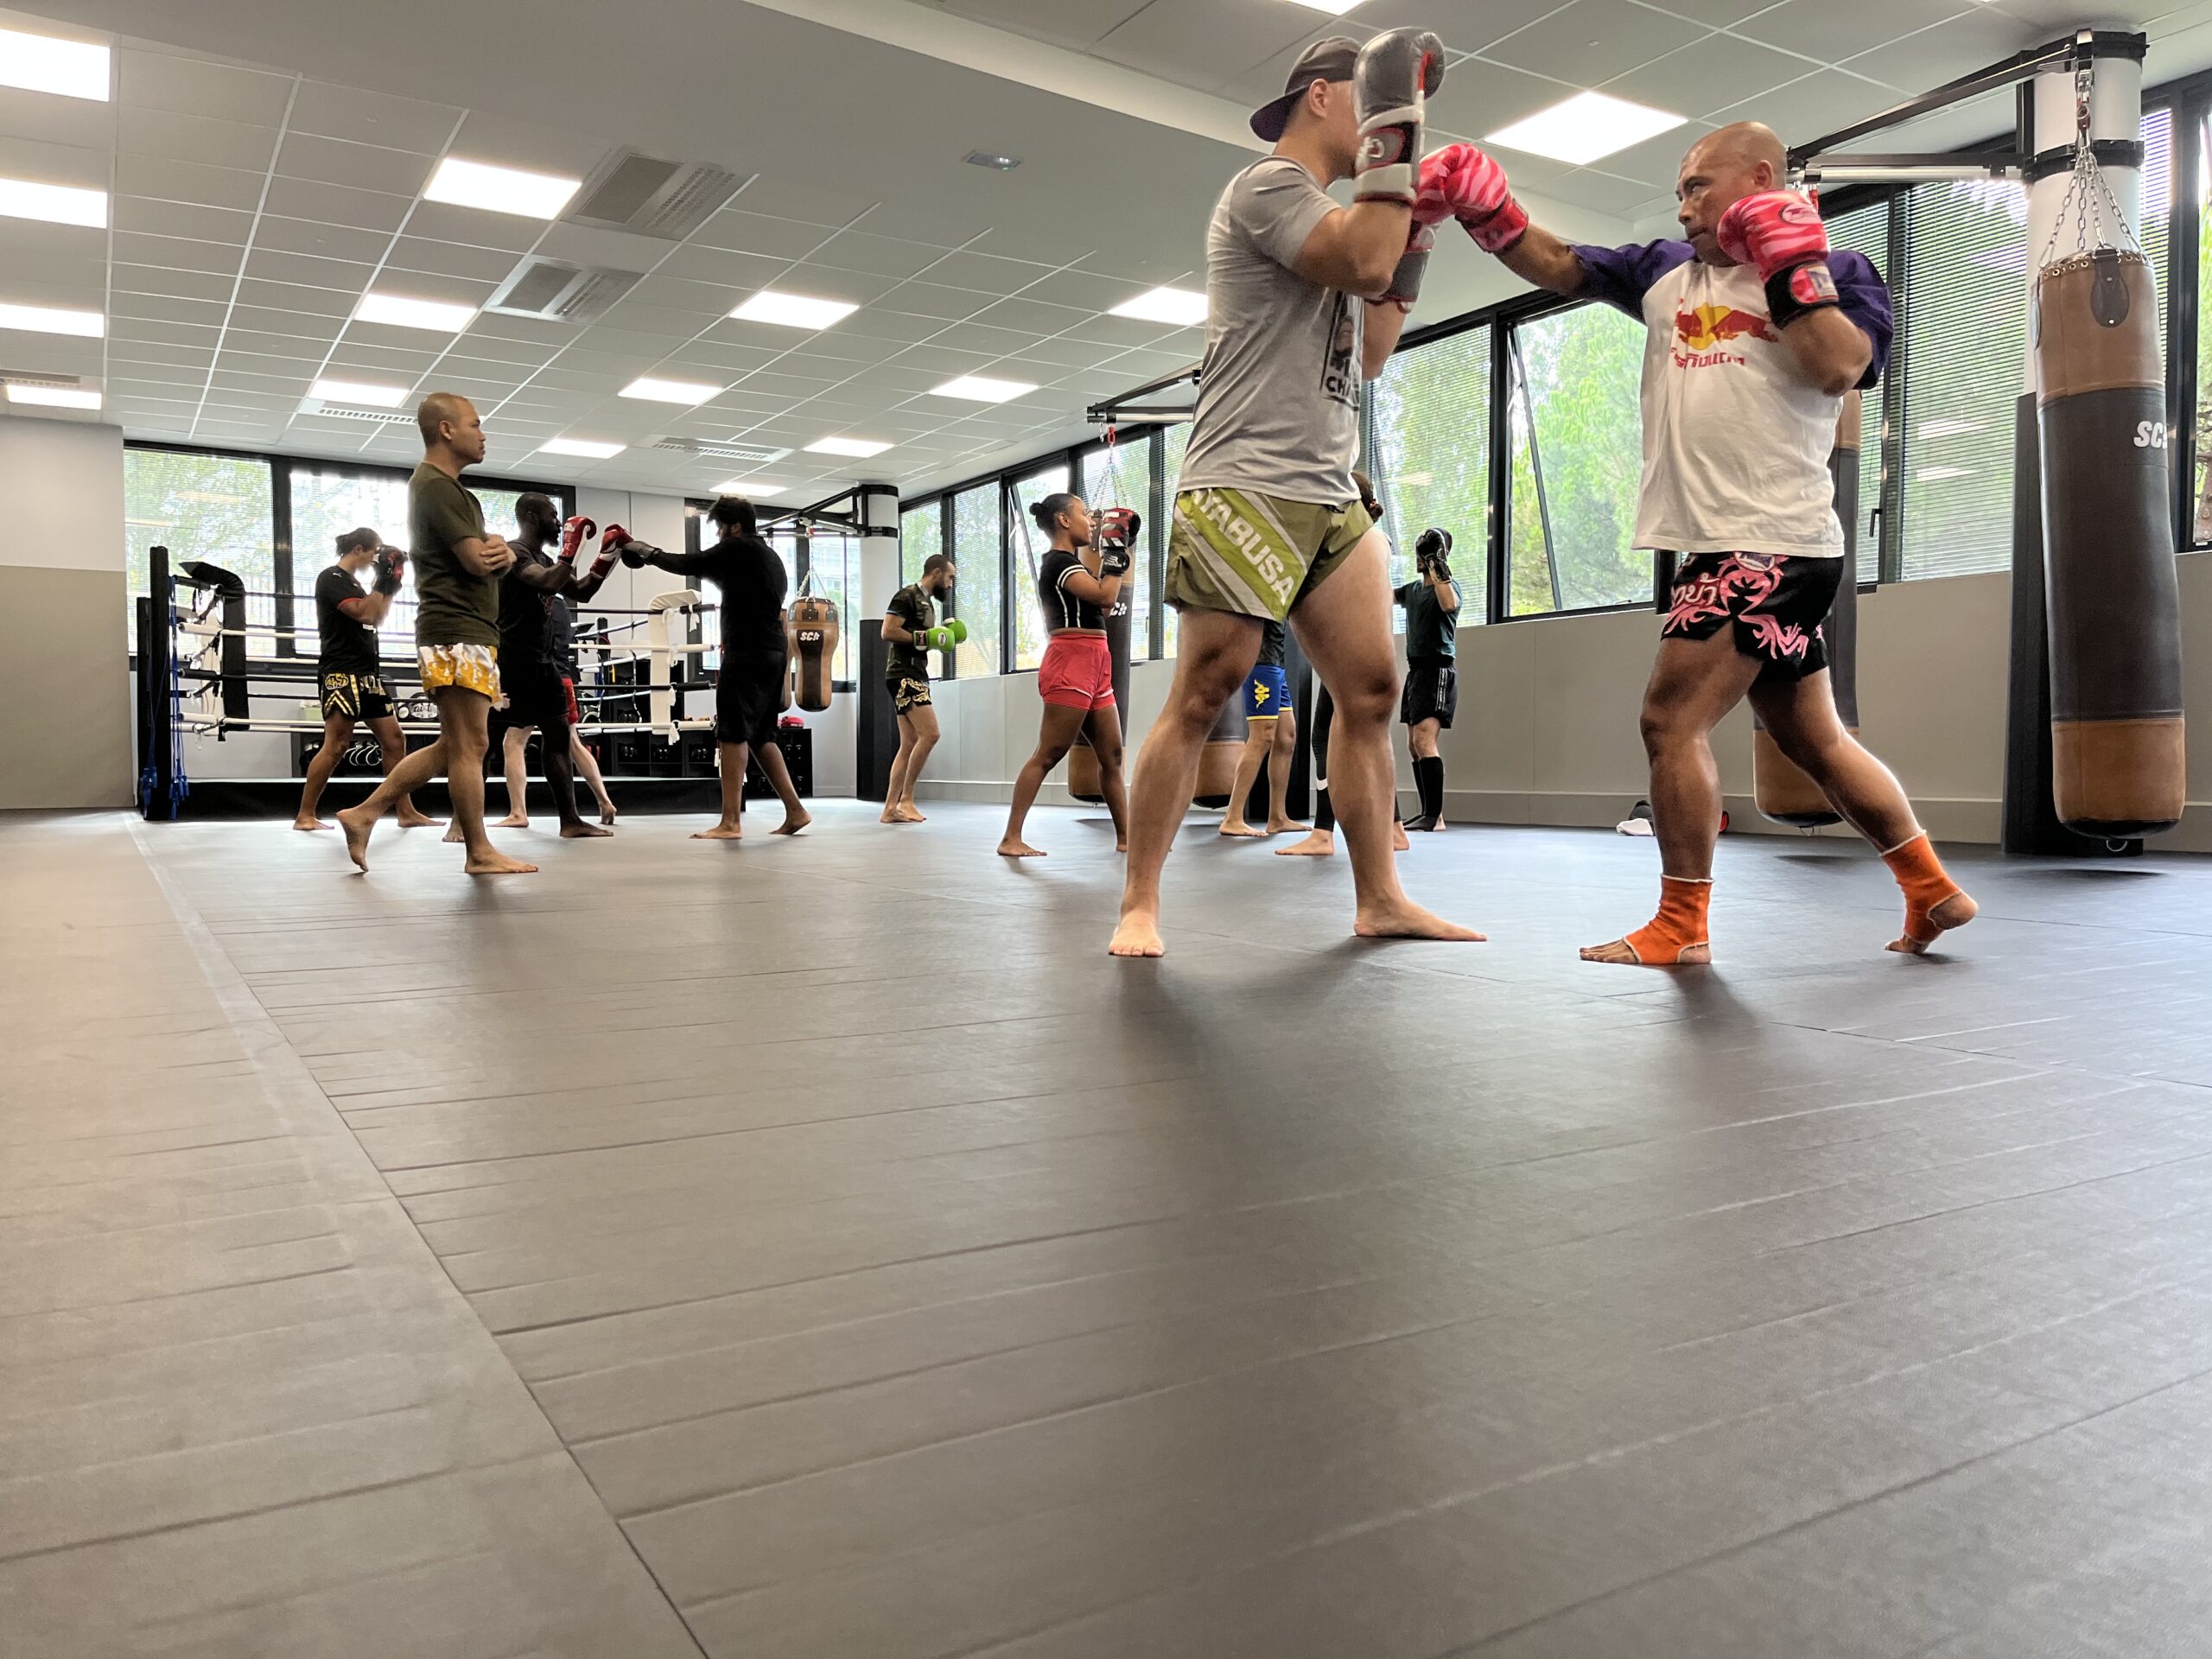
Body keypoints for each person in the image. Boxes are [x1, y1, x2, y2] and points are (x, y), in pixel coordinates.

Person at [1427, 121, 1976, 961]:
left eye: (1697, 186)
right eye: (1678, 190)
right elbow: (1559, 263)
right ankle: (1930, 888)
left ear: (1759, 179)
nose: (1681, 205)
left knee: (1667, 720)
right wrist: (1487, 209)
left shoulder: (1840, 274)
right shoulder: (1664, 275)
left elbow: (1839, 367)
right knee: (1814, 739)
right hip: (1744, 544)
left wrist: (1790, 263)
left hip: (1765, 537)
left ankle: (1681, 926)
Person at [1109, 30, 1478, 957]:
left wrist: (1419, 235)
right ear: (1322, 97)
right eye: (1368, 100)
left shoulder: (1350, 217)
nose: (1379, 125)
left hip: (1327, 490)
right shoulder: (1267, 187)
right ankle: (1139, 904)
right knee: (1207, 687)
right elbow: (1357, 262)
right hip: (1243, 479)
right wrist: (1399, 155)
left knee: (1371, 690)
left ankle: (1379, 896)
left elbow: (1377, 348)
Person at [337, 393, 534, 875]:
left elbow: (488, 556)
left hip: (463, 629)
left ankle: (363, 813)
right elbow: (477, 560)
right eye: (475, 424)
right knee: (471, 746)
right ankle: (479, 852)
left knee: (455, 744)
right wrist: (504, 551)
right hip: (456, 629)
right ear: (447, 429)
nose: (483, 434)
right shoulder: (437, 487)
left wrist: (501, 552)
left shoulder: (446, 489)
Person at [608, 497, 810, 840]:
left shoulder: (738, 548)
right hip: (773, 650)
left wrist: (643, 550)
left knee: (731, 731)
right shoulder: (771, 557)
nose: (717, 533)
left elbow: (689, 563)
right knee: (762, 735)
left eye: (719, 526)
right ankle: (796, 810)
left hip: (747, 652)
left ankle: (730, 822)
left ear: (733, 526)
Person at [478, 494, 618, 840]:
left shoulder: (541, 557)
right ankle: (464, 822)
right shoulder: (516, 553)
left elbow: (581, 591)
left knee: (558, 737)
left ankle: (570, 820)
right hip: (510, 664)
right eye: (553, 516)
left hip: (543, 664)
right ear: (530, 516)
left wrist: (608, 557)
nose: (559, 523)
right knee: (486, 744)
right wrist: (570, 550)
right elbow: (548, 582)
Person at [998, 493, 1131, 857]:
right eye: (1084, 514)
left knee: (1113, 756)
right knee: (1049, 752)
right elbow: (1105, 597)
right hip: (1071, 660)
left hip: (1097, 663)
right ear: (1064, 521)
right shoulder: (1059, 564)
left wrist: (1114, 553)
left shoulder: (1074, 563)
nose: (1091, 520)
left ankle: (1126, 838)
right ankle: (1011, 837)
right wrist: (1117, 557)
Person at [293, 527, 437, 833]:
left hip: (368, 674)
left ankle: (405, 810)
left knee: (395, 739)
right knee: (337, 744)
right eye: (373, 554)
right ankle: (305, 814)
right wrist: (381, 582)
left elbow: (378, 616)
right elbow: (363, 614)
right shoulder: (331, 578)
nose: (374, 561)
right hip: (340, 671)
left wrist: (390, 585)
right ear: (358, 549)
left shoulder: (356, 584)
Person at [498, 594, 619, 827]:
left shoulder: (530, 601)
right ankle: (605, 801)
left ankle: (518, 812)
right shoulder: (562, 605)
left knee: (513, 742)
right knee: (572, 742)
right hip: (564, 679)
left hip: (534, 677)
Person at [880, 554, 957, 824]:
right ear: (936, 572)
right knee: (931, 734)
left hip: (915, 673)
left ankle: (890, 808)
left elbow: (924, 640)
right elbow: (888, 631)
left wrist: (939, 639)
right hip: (904, 674)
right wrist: (925, 638)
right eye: (949, 578)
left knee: (910, 742)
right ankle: (906, 799)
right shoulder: (907, 596)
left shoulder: (927, 603)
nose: (950, 585)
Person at [1396, 527, 1461, 830]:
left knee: (1424, 739)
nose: (1419, 559)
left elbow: (1449, 605)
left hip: (1437, 669)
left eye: (1426, 554)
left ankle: (1433, 817)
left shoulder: (1447, 588)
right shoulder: (1412, 590)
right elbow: (1378, 594)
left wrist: (1439, 566)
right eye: (1420, 554)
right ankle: (1432, 814)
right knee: (1413, 744)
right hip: (1416, 672)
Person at [1217, 620, 1306, 839]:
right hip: (1260, 663)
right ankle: (1232, 817)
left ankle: (1277, 817)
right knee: (1262, 736)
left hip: (1277, 662)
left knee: (1286, 737)